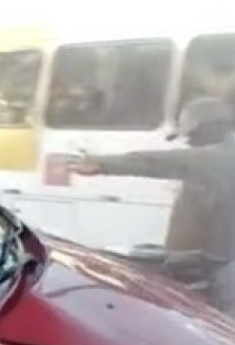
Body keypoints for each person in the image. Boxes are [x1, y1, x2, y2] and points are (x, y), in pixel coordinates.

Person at [71, 96, 235, 309]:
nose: (189, 145)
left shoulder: (220, 159)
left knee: (224, 332)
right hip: (215, 261)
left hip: (227, 268)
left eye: (191, 138)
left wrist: (103, 164)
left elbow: (161, 162)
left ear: (206, 130)